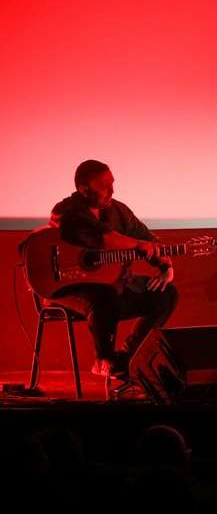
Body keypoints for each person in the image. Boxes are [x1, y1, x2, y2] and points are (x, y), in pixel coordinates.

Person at [44, 159, 179, 379]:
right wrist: (138, 245)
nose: (112, 191)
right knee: (105, 296)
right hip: (68, 289)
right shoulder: (67, 212)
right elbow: (104, 237)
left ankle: (127, 358)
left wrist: (166, 265)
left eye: (112, 183)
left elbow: (149, 241)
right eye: (104, 187)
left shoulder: (118, 210)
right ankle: (103, 359)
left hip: (116, 287)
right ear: (84, 190)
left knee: (166, 294)